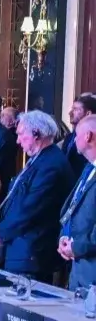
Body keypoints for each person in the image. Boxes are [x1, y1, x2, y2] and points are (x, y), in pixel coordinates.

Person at [0, 110, 73, 281]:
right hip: (20, 248)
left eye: (21, 134)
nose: (17, 140)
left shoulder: (51, 164)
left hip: (31, 253)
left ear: (37, 134)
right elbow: (14, 199)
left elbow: (31, 208)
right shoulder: (39, 159)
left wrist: (2, 231)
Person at [59, 115, 96, 289]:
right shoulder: (88, 168)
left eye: (77, 135)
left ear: (88, 136)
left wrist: (76, 247)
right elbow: (72, 208)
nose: (74, 140)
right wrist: (64, 236)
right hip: (78, 271)